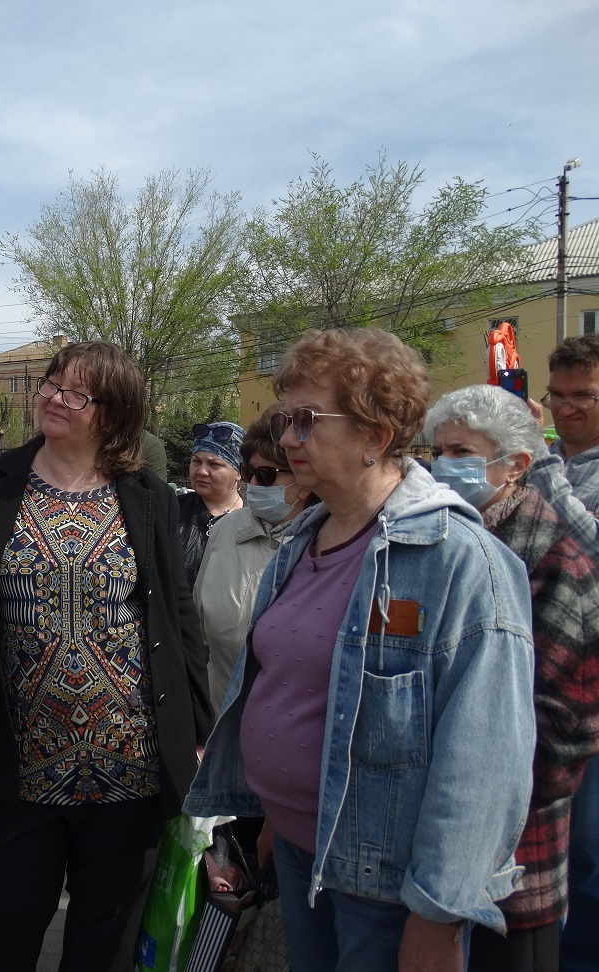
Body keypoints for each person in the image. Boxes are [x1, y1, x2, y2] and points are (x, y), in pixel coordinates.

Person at [185, 328, 537, 972]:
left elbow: (487, 762)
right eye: (284, 419)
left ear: (377, 435)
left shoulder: (460, 559)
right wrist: (267, 821)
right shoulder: (301, 544)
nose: (288, 438)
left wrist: (438, 915)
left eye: (308, 420)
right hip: (297, 850)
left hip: (385, 880)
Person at [0, 340, 213, 971]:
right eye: (52, 382)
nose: (53, 396)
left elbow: (177, 615)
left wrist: (202, 727)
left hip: (128, 766)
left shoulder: (148, 494)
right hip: (22, 766)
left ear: (114, 411)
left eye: (77, 392)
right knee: (5, 923)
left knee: (105, 932)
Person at [426, 384, 599, 972]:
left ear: (517, 465)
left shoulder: (552, 553)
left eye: (460, 452)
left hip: (516, 861)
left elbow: (564, 725)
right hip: (435, 847)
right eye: (437, 450)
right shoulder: (448, 535)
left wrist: (484, 807)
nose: (442, 465)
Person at [539, 335, 599, 972]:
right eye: (557, 395)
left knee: (590, 860)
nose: (566, 408)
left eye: (583, 396)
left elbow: (592, 548)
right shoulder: (544, 463)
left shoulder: (547, 470)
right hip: (548, 689)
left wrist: (542, 468)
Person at [193, 406, 317, 714]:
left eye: (266, 475)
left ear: (303, 479)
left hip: (286, 727)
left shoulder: (325, 541)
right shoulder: (224, 530)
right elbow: (197, 636)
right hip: (219, 716)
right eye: (250, 473)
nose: (254, 485)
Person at [177, 421, 244, 589]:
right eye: (196, 461)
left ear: (239, 472)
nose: (201, 471)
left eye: (215, 464)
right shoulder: (172, 511)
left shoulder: (255, 520)